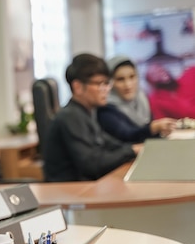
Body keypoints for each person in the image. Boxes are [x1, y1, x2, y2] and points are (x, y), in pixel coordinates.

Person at [42, 53, 142, 182]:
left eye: (107, 83)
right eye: (100, 84)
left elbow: (110, 144)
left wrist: (135, 148)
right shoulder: (71, 116)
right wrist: (131, 150)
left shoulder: (87, 112)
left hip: (83, 190)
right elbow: (92, 164)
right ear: (77, 86)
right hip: (70, 194)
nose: (106, 89)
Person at [97, 55, 176, 143]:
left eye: (132, 77)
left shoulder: (142, 100)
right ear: (109, 82)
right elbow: (127, 135)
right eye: (120, 79)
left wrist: (161, 130)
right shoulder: (106, 109)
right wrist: (153, 128)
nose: (128, 85)